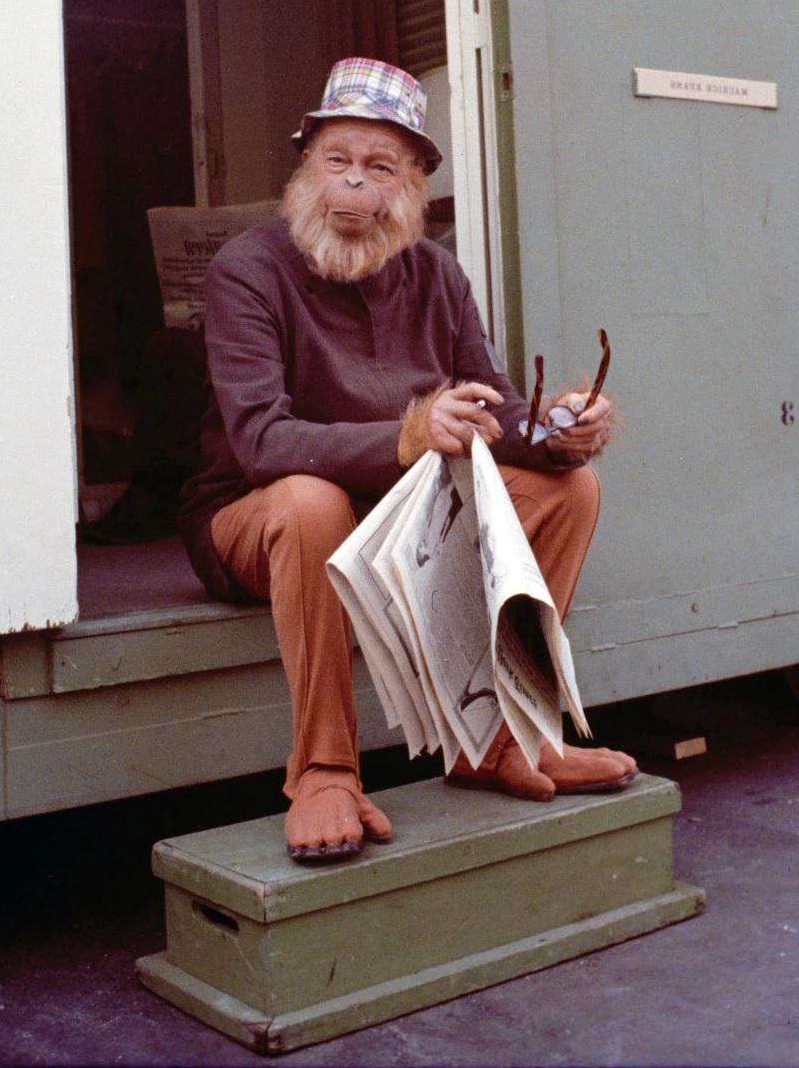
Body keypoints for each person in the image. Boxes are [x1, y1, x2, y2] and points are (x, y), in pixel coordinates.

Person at [178, 57, 636, 862]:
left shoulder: (436, 273)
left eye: (380, 168)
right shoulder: (246, 270)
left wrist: (560, 426)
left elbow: (495, 407)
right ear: (305, 166)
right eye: (336, 162)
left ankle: (502, 736)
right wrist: (407, 435)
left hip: (395, 519)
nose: (353, 188)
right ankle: (323, 771)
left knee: (571, 489)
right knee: (310, 500)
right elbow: (259, 443)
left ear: (416, 182)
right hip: (257, 520)